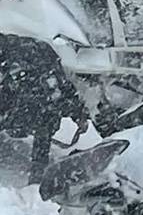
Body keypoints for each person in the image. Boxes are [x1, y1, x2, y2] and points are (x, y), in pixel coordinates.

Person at [0, 35, 89, 183]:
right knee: (44, 120)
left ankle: (37, 175)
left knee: (45, 120)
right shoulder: (40, 54)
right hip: (27, 104)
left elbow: (61, 87)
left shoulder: (40, 57)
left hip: (31, 105)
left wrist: (78, 114)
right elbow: (62, 87)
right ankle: (37, 174)